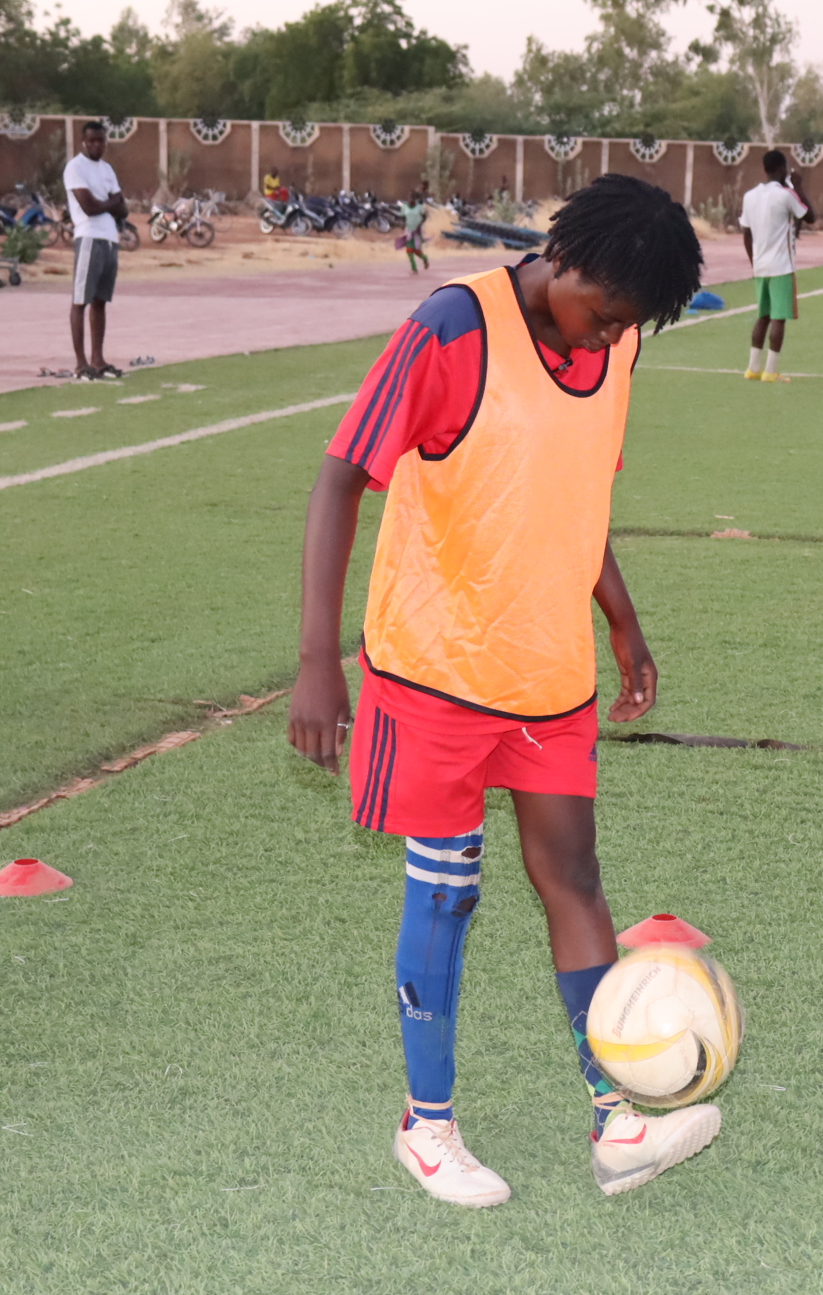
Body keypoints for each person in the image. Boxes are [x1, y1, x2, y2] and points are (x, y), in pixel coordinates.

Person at [285, 174, 711, 1209]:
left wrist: (623, 618)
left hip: (547, 670)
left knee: (574, 873)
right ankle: (426, 1127)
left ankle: (616, 1116)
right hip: (435, 669)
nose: (609, 338)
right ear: (567, 263)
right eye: (605, 314)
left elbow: (575, 490)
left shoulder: (615, 347)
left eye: (628, 327)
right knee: (448, 885)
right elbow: (342, 476)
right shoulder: (452, 329)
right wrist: (314, 661)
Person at [738, 148, 813, 382]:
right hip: (782, 266)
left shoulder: (750, 196)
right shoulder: (786, 194)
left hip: (760, 266)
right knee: (778, 318)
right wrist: (798, 186)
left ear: (764, 169)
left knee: (763, 316)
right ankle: (771, 371)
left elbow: (746, 233)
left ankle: (753, 368)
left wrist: (754, 262)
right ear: (781, 169)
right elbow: (810, 216)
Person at [63, 120, 128, 380]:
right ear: (83, 141)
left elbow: (124, 209)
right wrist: (111, 202)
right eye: (91, 140)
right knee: (81, 300)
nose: (96, 145)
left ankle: (98, 360)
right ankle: (81, 364)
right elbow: (88, 206)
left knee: (100, 301)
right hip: (89, 236)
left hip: (110, 238)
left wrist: (110, 203)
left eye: (100, 141)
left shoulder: (107, 169)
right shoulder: (75, 168)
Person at [398, 181, 430, 273]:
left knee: (416, 250)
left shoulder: (420, 208)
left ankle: (424, 258)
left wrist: (419, 225)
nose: (410, 199)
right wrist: (403, 225)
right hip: (409, 231)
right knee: (409, 251)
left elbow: (425, 216)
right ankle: (414, 268)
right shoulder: (404, 207)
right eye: (409, 198)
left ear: (415, 199)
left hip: (418, 231)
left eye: (412, 198)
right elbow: (403, 217)